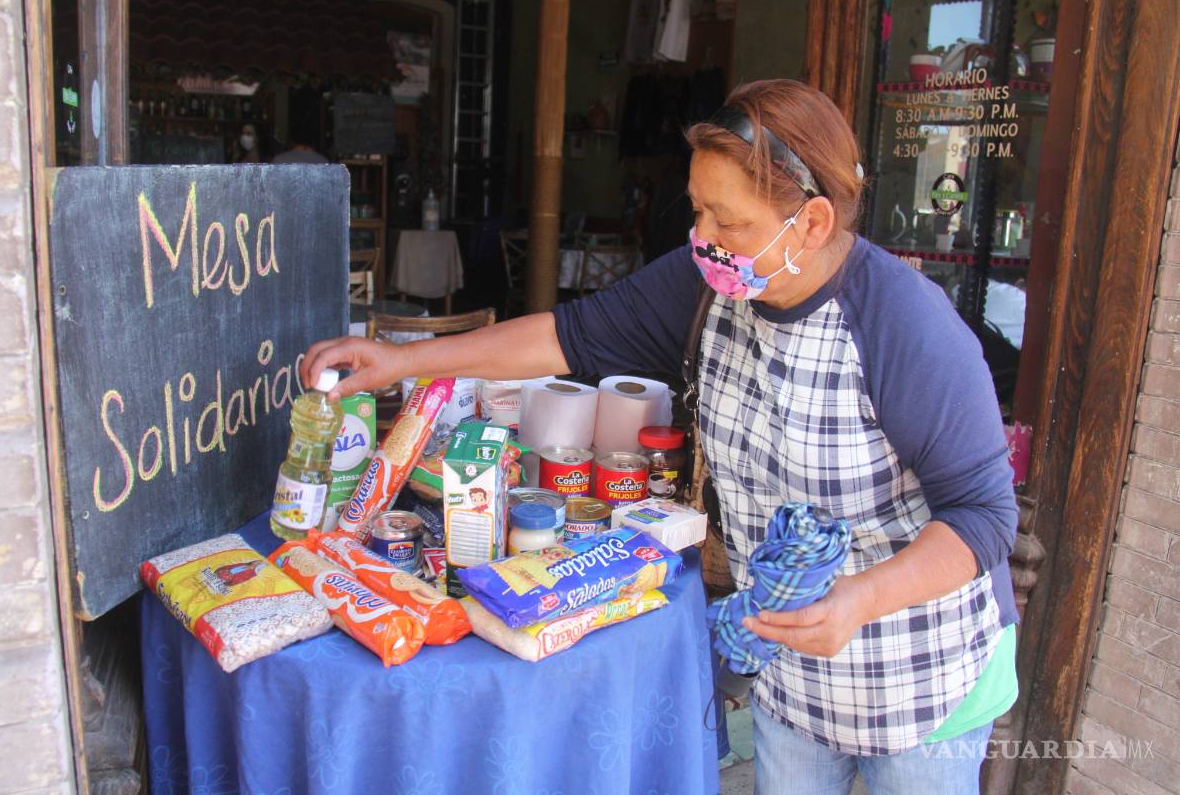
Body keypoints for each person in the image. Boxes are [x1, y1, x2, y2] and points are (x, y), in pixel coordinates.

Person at [300, 79, 1018, 794]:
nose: (702, 236)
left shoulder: (905, 327)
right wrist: (404, 360)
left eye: (728, 222)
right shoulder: (707, 287)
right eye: (698, 209)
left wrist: (860, 599)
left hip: (922, 677)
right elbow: (564, 336)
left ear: (813, 222)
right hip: (791, 667)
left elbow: (983, 516)